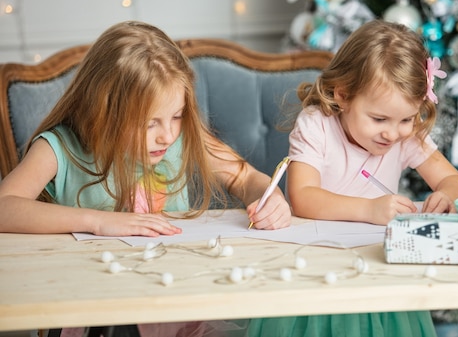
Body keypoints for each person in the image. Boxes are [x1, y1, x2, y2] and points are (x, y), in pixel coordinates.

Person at [0, 21, 292, 337]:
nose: (167, 135)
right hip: (90, 311)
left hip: (175, 305)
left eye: (177, 116)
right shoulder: (60, 148)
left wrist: (268, 197)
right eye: (149, 123)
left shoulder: (180, 140)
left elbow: (247, 178)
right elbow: (5, 206)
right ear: (104, 110)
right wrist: (97, 222)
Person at [247, 20, 458, 337]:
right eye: (379, 119)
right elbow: (303, 196)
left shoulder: (405, 135)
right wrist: (370, 210)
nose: (393, 133)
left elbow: (453, 180)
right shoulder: (317, 125)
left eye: (406, 119)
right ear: (344, 95)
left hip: (379, 270)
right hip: (314, 271)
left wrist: (446, 195)